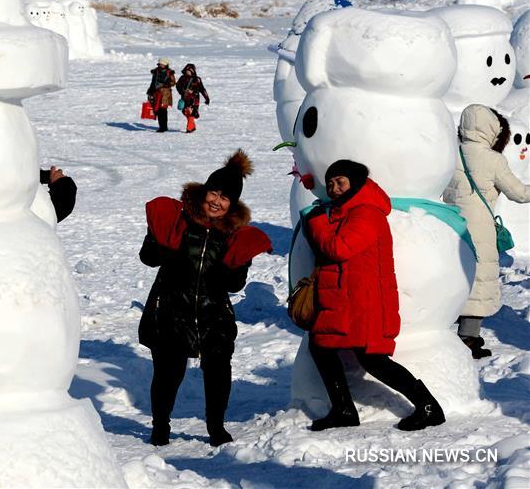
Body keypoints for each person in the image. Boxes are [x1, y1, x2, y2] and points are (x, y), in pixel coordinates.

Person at [138, 151, 272, 446]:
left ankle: (216, 427)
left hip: (214, 314)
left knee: (218, 374)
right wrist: (159, 242)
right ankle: (160, 425)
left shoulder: (234, 235)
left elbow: (235, 284)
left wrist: (235, 263)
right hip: (171, 309)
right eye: (214, 192)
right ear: (203, 191)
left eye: (225, 198)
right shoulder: (177, 221)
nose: (217, 201)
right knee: (167, 374)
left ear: (232, 204)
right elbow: (148, 258)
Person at [303, 160, 445, 432]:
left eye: (340, 182)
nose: (333, 189)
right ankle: (344, 409)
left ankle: (428, 406)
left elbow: (338, 248)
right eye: (330, 184)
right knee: (322, 346)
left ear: (355, 183)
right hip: (347, 300)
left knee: (373, 359)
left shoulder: (366, 212)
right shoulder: (346, 211)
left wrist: (318, 221)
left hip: (364, 302)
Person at [443, 105, 530, 358]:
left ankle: (448, 328)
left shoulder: (450, 153)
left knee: (455, 274)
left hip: (450, 225)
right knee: (479, 278)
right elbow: (518, 193)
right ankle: (468, 337)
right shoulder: (492, 159)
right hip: (479, 227)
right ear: (490, 129)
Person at [175, 63, 210, 134]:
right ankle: (192, 126)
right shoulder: (182, 78)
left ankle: (189, 128)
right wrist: (183, 91)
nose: (188, 72)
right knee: (185, 112)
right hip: (185, 98)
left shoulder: (197, 79)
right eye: (187, 70)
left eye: (190, 71)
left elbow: (202, 89)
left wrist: (207, 98)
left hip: (194, 99)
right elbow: (178, 86)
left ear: (193, 71)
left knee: (192, 113)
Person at [147, 58, 175, 133]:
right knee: (157, 110)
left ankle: (164, 127)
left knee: (163, 110)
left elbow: (173, 83)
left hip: (165, 94)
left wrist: (164, 84)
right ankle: (161, 126)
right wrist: (150, 90)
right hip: (156, 92)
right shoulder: (156, 71)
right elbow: (153, 82)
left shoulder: (169, 72)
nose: (161, 65)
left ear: (166, 64)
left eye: (162, 63)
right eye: (160, 63)